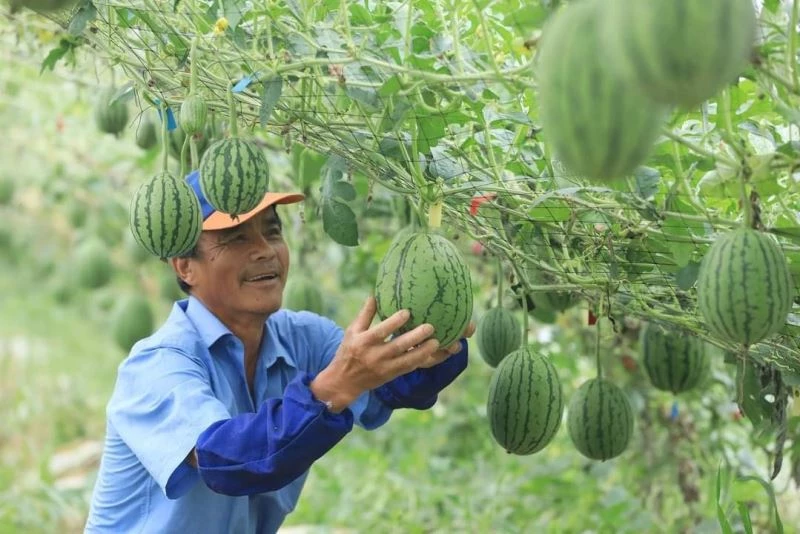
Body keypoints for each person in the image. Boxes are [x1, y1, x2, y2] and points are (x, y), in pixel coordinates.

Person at [84, 169, 475, 534]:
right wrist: (332, 390)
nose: (264, 250)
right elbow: (225, 460)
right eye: (237, 238)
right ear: (185, 267)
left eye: (272, 232)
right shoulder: (158, 364)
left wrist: (435, 346)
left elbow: (392, 389)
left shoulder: (303, 338)